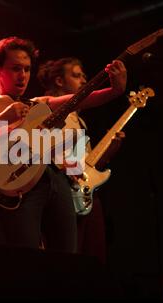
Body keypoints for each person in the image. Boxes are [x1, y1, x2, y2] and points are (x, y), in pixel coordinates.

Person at [0, 37, 127, 254]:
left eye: (26, 69)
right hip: (18, 185)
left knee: (67, 258)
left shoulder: (38, 103)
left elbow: (79, 100)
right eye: (15, 68)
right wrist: (2, 118)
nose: (23, 76)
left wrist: (114, 91)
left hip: (55, 180)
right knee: (29, 259)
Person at [37, 57, 125, 263]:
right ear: (59, 81)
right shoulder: (47, 110)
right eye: (76, 75)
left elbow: (86, 167)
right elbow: (35, 151)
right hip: (60, 194)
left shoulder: (79, 119)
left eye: (83, 75)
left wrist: (109, 151)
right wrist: (61, 165)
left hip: (84, 195)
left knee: (93, 258)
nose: (83, 80)